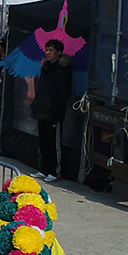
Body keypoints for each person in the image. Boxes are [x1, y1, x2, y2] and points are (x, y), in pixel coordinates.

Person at [29, 37, 74, 179]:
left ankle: (54, 171)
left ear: (59, 52)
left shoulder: (63, 69)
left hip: (53, 112)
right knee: (43, 141)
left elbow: (64, 92)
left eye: (51, 50)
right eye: (46, 49)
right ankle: (43, 169)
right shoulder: (45, 67)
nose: (48, 53)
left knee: (53, 142)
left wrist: (55, 108)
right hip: (42, 109)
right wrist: (36, 105)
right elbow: (41, 89)